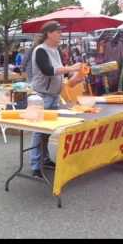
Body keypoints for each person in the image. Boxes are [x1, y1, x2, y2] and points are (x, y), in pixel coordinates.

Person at [29, 21, 83, 178]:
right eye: (58, 32)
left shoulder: (56, 50)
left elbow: (62, 72)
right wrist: (71, 68)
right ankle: (35, 165)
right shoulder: (40, 50)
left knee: (48, 130)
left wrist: (76, 76)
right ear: (49, 33)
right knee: (39, 131)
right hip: (41, 97)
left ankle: (44, 159)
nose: (61, 35)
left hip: (53, 95)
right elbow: (48, 71)